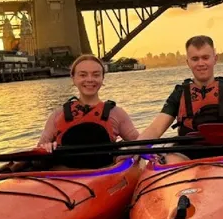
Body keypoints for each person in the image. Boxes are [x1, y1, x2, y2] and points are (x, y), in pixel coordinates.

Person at [138, 35, 223, 161]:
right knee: (171, 158)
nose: (201, 63)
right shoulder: (179, 94)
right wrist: (134, 148)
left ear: (215, 59)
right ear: (188, 62)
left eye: (205, 57)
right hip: (188, 155)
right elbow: (156, 129)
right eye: (195, 59)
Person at [11, 54, 139, 171]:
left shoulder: (116, 113)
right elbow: (41, 147)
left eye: (96, 75)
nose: (90, 79)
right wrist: (47, 147)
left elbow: (139, 143)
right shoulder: (57, 115)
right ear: (73, 78)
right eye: (83, 75)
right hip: (64, 176)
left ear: (102, 78)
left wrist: (130, 154)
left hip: (103, 174)